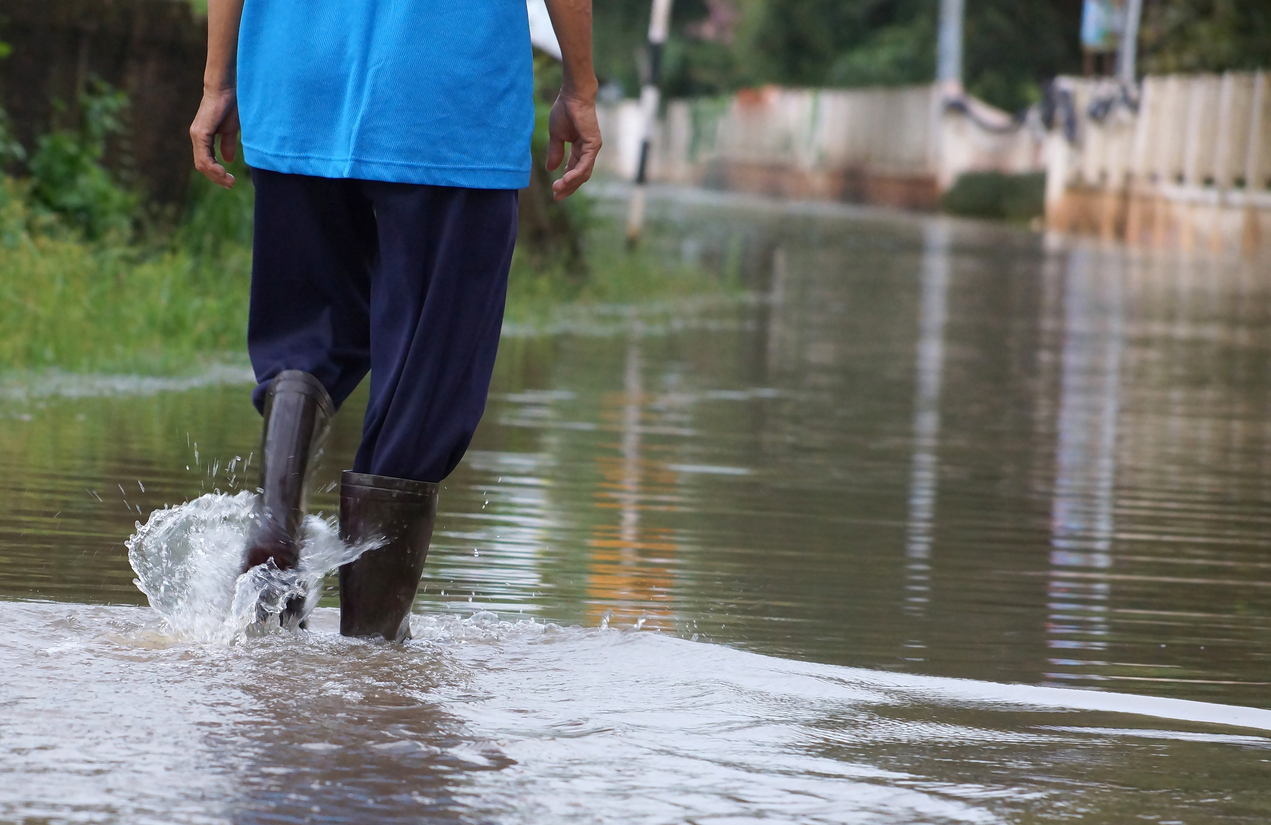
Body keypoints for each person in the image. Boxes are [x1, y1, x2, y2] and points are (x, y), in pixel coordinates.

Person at [189, 0, 601, 641]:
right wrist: (580, 85)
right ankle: (373, 653)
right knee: (427, 370)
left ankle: (274, 526)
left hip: (299, 75)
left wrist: (218, 83)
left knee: (307, 327)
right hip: (447, 92)